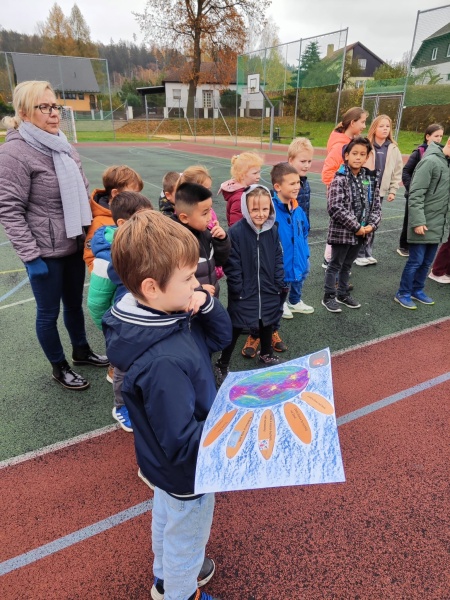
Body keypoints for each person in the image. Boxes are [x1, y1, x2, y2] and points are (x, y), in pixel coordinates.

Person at [102, 210, 232, 600]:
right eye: (189, 277)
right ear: (152, 287)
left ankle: (165, 579)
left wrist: (205, 305)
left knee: (167, 517)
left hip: (162, 465)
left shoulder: (165, 315)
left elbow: (220, 338)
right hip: (188, 471)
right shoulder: (163, 360)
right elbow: (182, 441)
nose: (198, 284)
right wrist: (231, 432)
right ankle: (179, 591)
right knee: (187, 536)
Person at [0, 80, 108, 390]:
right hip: (44, 252)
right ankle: (59, 366)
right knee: (48, 313)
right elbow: (9, 209)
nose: (54, 113)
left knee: (74, 305)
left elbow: (83, 190)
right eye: (44, 107)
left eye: (55, 106)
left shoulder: (63, 145)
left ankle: (81, 351)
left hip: (73, 242)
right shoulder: (14, 153)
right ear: (24, 112)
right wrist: (31, 257)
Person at [87, 191, 153, 431]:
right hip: (123, 327)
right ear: (123, 223)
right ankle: (121, 406)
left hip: (146, 321)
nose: (149, 225)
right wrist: (111, 330)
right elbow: (97, 303)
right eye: (143, 220)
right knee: (124, 369)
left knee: (143, 363)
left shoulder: (145, 243)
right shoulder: (107, 257)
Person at [214, 185, 286, 383]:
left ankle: (266, 354)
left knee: (267, 320)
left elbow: (278, 257)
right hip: (244, 292)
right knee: (236, 326)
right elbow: (232, 263)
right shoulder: (236, 232)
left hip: (268, 288)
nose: (260, 214)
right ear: (246, 208)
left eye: (264, 209)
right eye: (255, 209)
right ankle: (222, 363)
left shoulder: (273, 230)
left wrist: (278, 281)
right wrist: (238, 288)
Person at [322, 137, 381, 313]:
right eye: (354, 153)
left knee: (348, 265)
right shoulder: (339, 178)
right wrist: (356, 227)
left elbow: (376, 206)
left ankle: (342, 294)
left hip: (361, 233)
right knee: (335, 265)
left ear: (367, 157)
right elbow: (335, 207)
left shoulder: (370, 179)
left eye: (362, 154)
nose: (358, 157)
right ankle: (328, 296)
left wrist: (371, 225)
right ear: (346, 155)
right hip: (343, 233)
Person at [394, 138, 450, 310]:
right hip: (423, 223)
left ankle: (417, 290)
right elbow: (416, 194)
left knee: (426, 262)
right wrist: (418, 221)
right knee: (415, 261)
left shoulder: (447, 164)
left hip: (438, 224)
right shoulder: (430, 161)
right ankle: (403, 293)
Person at [321, 107, 368, 268]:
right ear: (353, 122)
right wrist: (338, 189)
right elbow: (327, 172)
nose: (364, 126)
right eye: (362, 122)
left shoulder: (349, 142)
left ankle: (336, 262)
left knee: (346, 226)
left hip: (350, 193)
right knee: (339, 227)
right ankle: (330, 261)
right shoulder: (340, 145)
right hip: (341, 195)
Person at [354, 114, 403, 266]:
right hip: (364, 190)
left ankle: (367, 252)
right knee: (361, 220)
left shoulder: (393, 148)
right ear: (375, 128)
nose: (385, 129)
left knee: (373, 222)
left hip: (379, 193)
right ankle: (358, 254)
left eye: (387, 126)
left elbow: (397, 171)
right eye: (381, 126)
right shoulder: (366, 144)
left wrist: (393, 190)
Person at [173, 182, 230, 298]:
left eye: (210, 210)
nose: (210, 217)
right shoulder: (176, 242)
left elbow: (219, 261)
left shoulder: (206, 233)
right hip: (192, 302)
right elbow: (173, 280)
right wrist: (198, 289)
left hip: (211, 297)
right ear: (184, 218)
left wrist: (221, 241)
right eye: (205, 213)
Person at [272, 162, 313, 319]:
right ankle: (280, 303)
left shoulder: (298, 209)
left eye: (298, 183)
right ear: (278, 187)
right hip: (281, 259)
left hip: (299, 255)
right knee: (283, 281)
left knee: (300, 275)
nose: (297, 187)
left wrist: (305, 252)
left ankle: (294, 301)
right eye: (292, 184)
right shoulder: (271, 211)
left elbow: (304, 230)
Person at [84, 165, 144, 271]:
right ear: (115, 193)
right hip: (112, 277)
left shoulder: (135, 213)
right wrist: (106, 274)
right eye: (133, 194)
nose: (137, 198)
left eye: (138, 193)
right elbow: (90, 256)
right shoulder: (100, 222)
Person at [397, 124, 444, 258]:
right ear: (427, 136)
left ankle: (420, 245)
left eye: (441, 136)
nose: (439, 139)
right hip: (415, 194)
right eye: (436, 136)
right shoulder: (419, 152)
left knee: (427, 221)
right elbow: (406, 172)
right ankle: (404, 246)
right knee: (410, 220)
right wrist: (413, 189)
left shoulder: (441, 154)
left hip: (431, 197)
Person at [219, 152, 264, 226]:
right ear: (242, 175)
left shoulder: (244, 193)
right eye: (255, 173)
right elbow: (236, 226)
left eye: (259, 172)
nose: (259, 176)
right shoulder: (240, 198)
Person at [287, 137, 314, 225]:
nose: (307, 165)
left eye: (309, 161)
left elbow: (306, 210)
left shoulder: (305, 182)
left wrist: (306, 226)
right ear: (291, 161)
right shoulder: (285, 183)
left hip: (302, 228)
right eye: (303, 161)